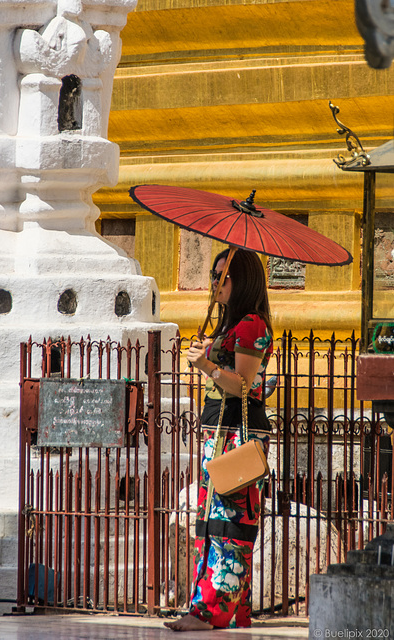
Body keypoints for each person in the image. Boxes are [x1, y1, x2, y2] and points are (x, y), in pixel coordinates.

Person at [164, 248, 273, 631]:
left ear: (241, 280)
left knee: (229, 518)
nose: (214, 282)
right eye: (213, 274)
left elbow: (243, 385)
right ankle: (227, 610)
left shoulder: (252, 325)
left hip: (237, 433)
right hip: (219, 430)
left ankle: (209, 612)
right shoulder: (230, 324)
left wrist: (207, 364)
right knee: (211, 518)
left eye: (221, 276)